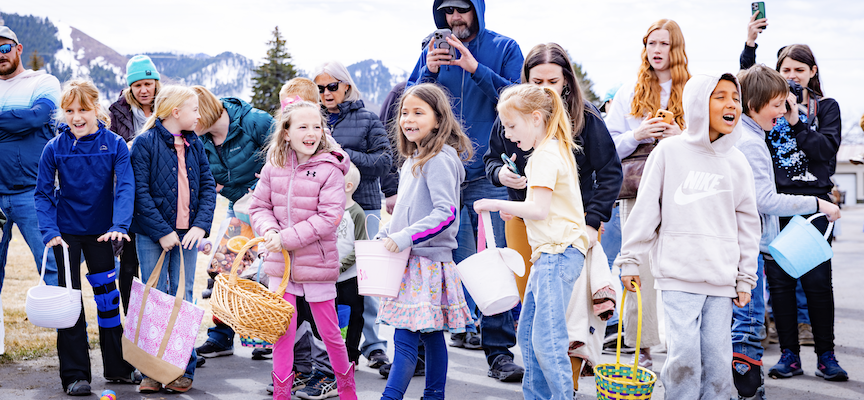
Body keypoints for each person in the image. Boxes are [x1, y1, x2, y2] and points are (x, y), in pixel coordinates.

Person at [617, 73, 760, 398]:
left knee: (718, 360)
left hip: (722, 279)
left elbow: (749, 224)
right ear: (697, 103)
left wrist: (745, 277)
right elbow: (646, 210)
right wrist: (630, 259)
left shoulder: (738, 161)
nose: (731, 104)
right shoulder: (669, 152)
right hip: (678, 276)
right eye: (720, 96)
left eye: (735, 98)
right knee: (684, 357)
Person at [408, 0, 525, 381]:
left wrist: (475, 68)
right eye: (447, 11)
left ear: (477, 8)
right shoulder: (431, 49)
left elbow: (519, 100)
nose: (454, 18)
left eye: (462, 9)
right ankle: (418, 352)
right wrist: (428, 70)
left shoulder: (504, 48)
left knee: (494, 263)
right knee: (429, 261)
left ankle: (499, 354)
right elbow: (410, 102)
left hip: (488, 172)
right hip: (439, 170)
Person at [732, 64, 843, 398]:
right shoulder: (753, 138)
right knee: (766, 303)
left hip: (805, 210)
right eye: (777, 103)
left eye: (799, 70)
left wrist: (797, 121)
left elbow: (824, 150)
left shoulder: (823, 108)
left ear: (812, 71)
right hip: (777, 214)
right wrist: (816, 203)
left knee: (817, 285)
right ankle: (774, 367)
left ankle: (826, 355)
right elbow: (765, 197)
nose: (782, 110)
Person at [474, 84, 588, 399]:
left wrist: (496, 203)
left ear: (536, 118)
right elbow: (545, 207)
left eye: (512, 126)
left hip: (556, 252)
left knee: (546, 340)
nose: (507, 134)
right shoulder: (553, 149)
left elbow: (538, 209)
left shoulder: (544, 155)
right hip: (551, 254)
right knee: (528, 334)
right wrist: (516, 210)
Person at [484, 42, 621, 299]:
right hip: (522, 220)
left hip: (574, 226)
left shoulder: (586, 116)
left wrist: (593, 221)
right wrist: (500, 174)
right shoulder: (510, 116)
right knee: (530, 298)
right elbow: (490, 159)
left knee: (574, 304)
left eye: (552, 81)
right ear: (526, 79)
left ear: (566, 80)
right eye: (537, 82)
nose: (545, 89)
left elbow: (610, 172)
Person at [34, 80, 141, 396]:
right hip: (65, 237)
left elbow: (125, 186)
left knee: (108, 302)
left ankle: (118, 368)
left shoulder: (115, 144)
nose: (76, 116)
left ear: (96, 108)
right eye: (69, 111)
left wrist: (120, 224)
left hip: (103, 234)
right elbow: (42, 193)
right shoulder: (54, 147)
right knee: (70, 304)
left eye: (83, 109)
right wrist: (50, 232)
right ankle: (75, 375)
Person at [248, 100, 356, 400]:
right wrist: (270, 231)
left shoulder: (331, 169)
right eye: (303, 126)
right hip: (280, 267)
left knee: (330, 333)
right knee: (282, 333)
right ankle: (281, 394)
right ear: (286, 132)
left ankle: (348, 392)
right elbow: (259, 207)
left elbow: (329, 218)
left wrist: (285, 238)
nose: (311, 133)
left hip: (317, 265)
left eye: (316, 126)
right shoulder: (273, 166)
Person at [375, 83, 474, 400]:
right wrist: (387, 233)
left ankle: (391, 397)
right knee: (430, 336)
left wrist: (404, 236)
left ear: (438, 118)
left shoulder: (439, 160)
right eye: (405, 113)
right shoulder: (413, 159)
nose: (408, 119)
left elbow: (446, 213)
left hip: (426, 263)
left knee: (405, 338)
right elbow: (409, 211)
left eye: (419, 112)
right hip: (410, 261)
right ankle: (434, 396)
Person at [604, 18, 691, 366]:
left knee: (681, 267)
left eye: (664, 43)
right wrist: (638, 134)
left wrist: (679, 137)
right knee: (637, 267)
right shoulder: (629, 90)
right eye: (650, 43)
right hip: (637, 189)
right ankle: (641, 346)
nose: (656, 50)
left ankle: (683, 345)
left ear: (676, 48)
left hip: (681, 189)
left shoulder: (695, 90)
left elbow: (712, 142)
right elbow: (608, 146)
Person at [130, 85, 217, 394]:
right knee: (156, 296)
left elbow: (208, 187)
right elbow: (139, 192)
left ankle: (181, 369)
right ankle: (152, 372)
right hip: (152, 234)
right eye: (194, 109)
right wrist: (162, 232)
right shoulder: (144, 144)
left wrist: (200, 226)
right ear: (176, 112)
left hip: (188, 236)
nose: (199, 115)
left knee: (184, 299)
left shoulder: (195, 144)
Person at [312, 61, 392, 369]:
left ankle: (374, 344)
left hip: (364, 207)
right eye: (320, 88)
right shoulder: (313, 119)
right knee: (328, 277)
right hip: (323, 210)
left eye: (332, 86)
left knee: (365, 278)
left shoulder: (368, 119)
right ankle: (333, 346)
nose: (326, 93)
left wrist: (343, 154)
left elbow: (384, 161)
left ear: (346, 86)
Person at [191, 85, 275, 360]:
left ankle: (266, 336)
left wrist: (266, 180)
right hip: (237, 208)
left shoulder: (255, 121)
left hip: (269, 208)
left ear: (203, 112)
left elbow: (285, 153)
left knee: (265, 272)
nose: (188, 122)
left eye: (192, 114)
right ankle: (221, 336)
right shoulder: (199, 139)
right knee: (224, 269)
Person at [0, 26, 59, 292]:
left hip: (33, 192)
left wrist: (27, 121)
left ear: (18, 49)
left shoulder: (42, 81)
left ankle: (65, 319)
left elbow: (38, 117)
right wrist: (19, 123)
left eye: (5, 48)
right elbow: (28, 121)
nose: (1, 54)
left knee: (51, 264)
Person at [108, 54, 162, 313]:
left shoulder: (167, 107)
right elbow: (109, 149)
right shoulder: (117, 112)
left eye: (148, 84)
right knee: (129, 262)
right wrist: (126, 149)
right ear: (130, 87)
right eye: (137, 85)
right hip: (129, 191)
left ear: (156, 83)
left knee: (157, 261)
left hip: (160, 191)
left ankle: (156, 320)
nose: (143, 90)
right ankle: (132, 320)